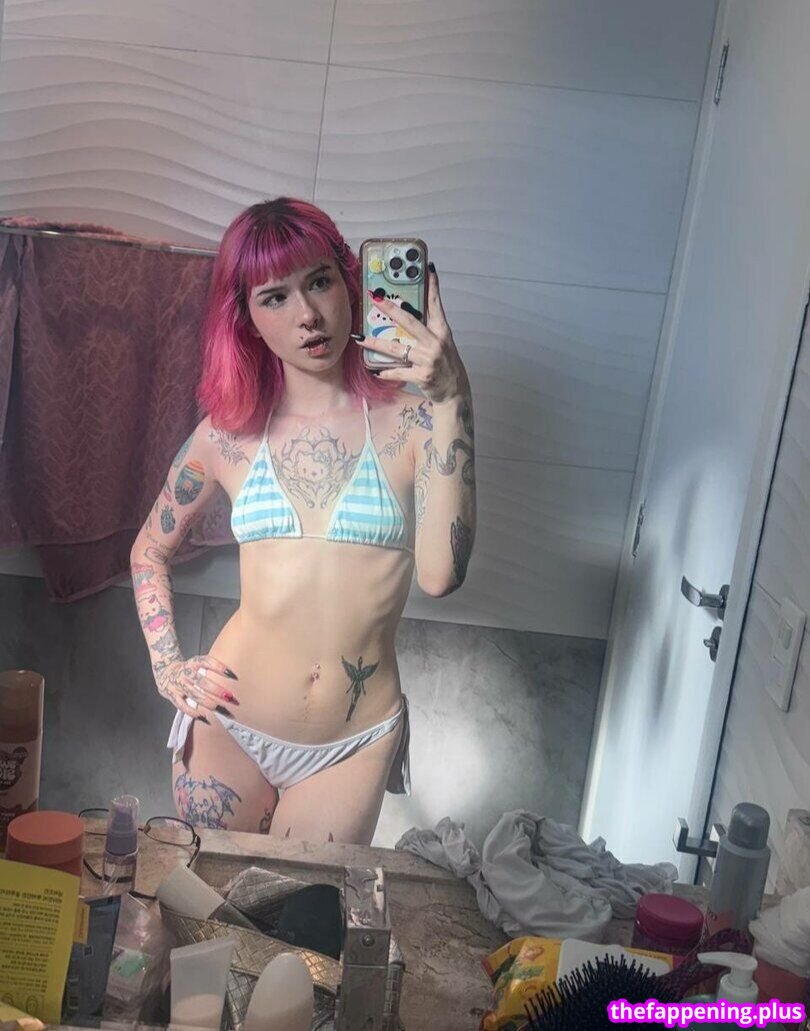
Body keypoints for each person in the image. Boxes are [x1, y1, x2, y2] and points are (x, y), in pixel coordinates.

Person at [130, 197, 476, 845]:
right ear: (248, 319)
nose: (307, 315)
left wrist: (453, 394)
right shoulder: (227, 435)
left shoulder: (417, 421)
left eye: (319, 282)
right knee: (204, 897)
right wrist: (166, 665)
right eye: (275, 297)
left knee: (301, 906)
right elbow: (149, 550)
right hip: (229, 726)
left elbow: (440, 576)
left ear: (350, 284)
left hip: (351, 745)